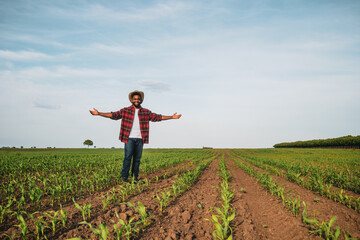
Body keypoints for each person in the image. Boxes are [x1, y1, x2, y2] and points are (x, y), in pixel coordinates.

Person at [89, 90, 182, 182]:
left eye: (138, 99)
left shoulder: (146, 112)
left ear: (141, 100)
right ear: (131, 100)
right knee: (128, 157)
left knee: (137, 159)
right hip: (129, 138)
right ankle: (124, 177)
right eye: (135, 99)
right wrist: (99, 113)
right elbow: (114, 115)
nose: (136, 100)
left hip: (141, 138)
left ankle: (135, 177)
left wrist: (171, 117)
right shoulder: (125, 110)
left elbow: (158, 117)